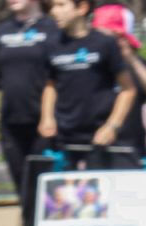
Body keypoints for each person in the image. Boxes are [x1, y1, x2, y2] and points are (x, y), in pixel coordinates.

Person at [0, 0, 59, 199]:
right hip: (11, 124)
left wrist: (50, 116)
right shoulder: (4, 30)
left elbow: (61, 76)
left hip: (45, 123)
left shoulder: (52, 28)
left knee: (47, 192)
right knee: (24, 190)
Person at [38, 0, 136, 170]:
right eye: (52, 6)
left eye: (61, 5)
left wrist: (112, 126)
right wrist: (47, 117)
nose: (54, 12)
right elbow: (50, 85)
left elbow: (128, 90)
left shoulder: (104, 43)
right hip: (64, 137)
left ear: (82, 8)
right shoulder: (51, 44)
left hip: (100, 137)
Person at [91, 3, 146, 167]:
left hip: (131, 147)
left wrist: (130, 59)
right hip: (96, 144)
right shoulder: (92, 63)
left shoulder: (137, 65)